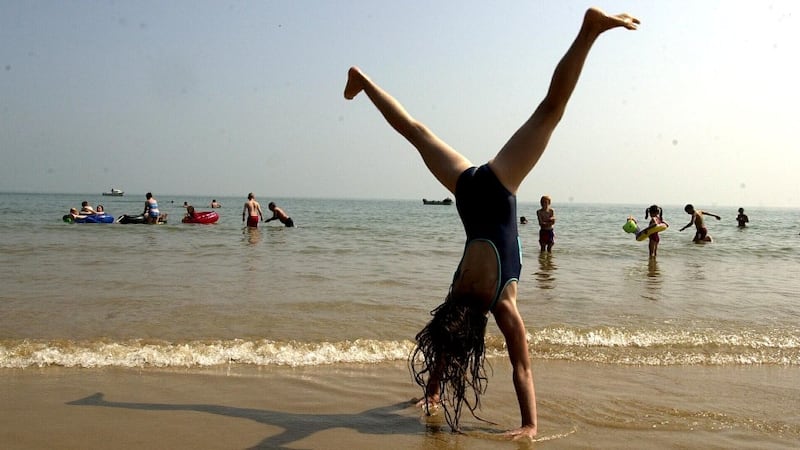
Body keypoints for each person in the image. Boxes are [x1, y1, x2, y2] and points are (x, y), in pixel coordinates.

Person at [343, 7, 639, 439]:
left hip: (499, 185)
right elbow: (444, 339)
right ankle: (363, 80)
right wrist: (432, 391)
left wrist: (530, 424)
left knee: (550, 111)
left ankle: (589, 31)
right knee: (413, 130)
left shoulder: (501, 304)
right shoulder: (458, 294)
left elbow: (522, 367)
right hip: (468, 186)